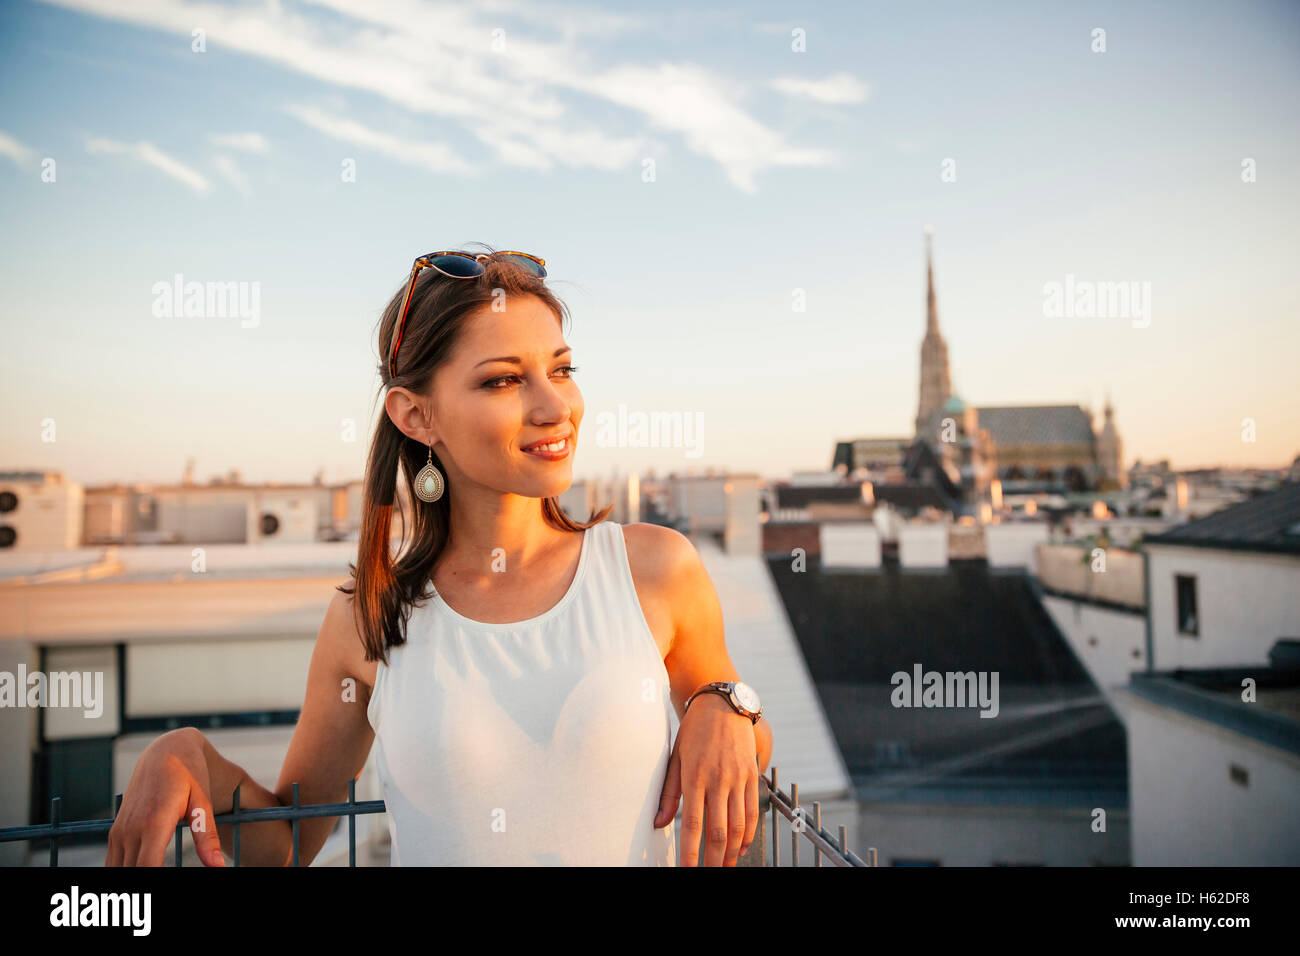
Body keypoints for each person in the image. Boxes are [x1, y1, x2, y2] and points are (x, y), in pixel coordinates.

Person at [106, 244, 773, 866]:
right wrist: (184, 751)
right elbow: (285, 842)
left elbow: (747, 743)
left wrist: (723, 705)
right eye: (503, 381)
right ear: (415, 416)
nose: (555, 407)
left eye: (561, 369)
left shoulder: (654, 568)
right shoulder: (368, 617)